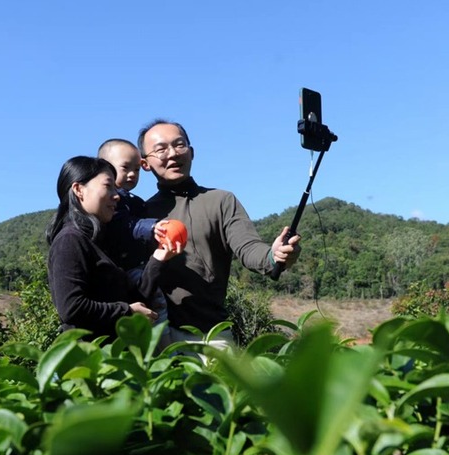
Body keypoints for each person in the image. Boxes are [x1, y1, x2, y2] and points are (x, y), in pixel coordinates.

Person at [138, 119, 302, 347]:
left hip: (212, 336)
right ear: (145, 163)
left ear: (192, 152)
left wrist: (273, 255)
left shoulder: (221, 201)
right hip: (158, 335)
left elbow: (248, 247)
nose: (173, 153)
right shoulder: (140, 214)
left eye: (179, 144)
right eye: (161, 149)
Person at [46, 155, 181, 340]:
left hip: (112, 359)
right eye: (108, 186)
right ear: (78, 189)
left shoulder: (99, 241)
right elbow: (72, 307)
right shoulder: (70, 240)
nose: (116, 195)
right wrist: (126, 312)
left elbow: (136, 300)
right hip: (89, 362)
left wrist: (158, 259)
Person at [97, 138, 171, 348]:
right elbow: (126, 225)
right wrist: (152, 228)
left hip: (137, 264)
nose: (132, 174)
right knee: (156, 301)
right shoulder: (114, 203)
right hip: (125, 267)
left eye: (137, 169)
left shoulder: (135, 201)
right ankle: (164, 347)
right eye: (125, 168)